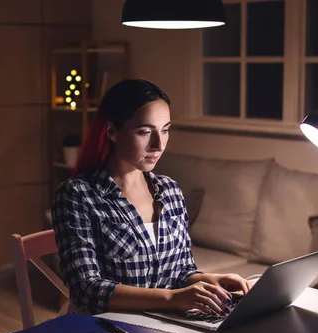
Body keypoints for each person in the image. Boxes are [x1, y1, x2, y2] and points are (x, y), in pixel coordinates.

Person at [52, 78, 252, 316]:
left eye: (165, 130)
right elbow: (87, 290)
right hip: (105, 332)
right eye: (145, 132)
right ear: (112, 132)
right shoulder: (78, 195)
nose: (159, 145)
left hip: (163, 326)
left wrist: (209, 279)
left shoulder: (170, 191)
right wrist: (171, 299)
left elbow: (181, 271)